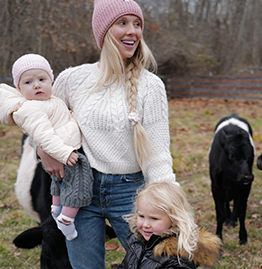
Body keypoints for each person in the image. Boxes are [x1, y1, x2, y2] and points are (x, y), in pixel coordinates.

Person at [35, 0, 177, 267]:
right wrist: (42, 151)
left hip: (131, 193)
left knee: (152, 263)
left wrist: (166, 203)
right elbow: (38, 118)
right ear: (102, 32)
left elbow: (158, 153)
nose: (132, 31)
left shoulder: (151, 86)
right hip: (79, 191)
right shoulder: (72, 79)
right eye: (122, 23)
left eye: (137, 24)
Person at [0, 54, 93, 241]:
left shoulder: (51, 100)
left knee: (57, 183)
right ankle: (66, 217)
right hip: (64, 153)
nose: (37, 85)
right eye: (28, 82)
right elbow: (44, 137)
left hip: (64, 150)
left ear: (51, 79)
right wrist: (63, 153)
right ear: (19, 88)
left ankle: (56, 209)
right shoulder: (31, 108)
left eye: (42, 79)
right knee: (79, 183)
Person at [118, 182, 222, 269]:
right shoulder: (138, 239)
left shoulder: (177, 258)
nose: (145, 225)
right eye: (141, 216)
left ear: (173, 220)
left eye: (154, 218)